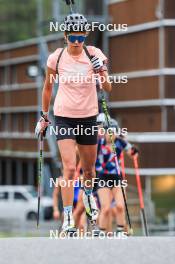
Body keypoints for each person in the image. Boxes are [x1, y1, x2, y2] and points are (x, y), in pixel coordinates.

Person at [35, 12, 112, 235]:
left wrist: (100, 70)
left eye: (81, 37)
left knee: (89, 170)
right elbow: (48, 88)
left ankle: (90, 211)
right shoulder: (56, 58)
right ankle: (68, 217)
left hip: (88, 116)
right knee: (69, 168)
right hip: (64, 117)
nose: (77, 43)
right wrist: (44, 115)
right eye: (73, 38)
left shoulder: (94, 53)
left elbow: (107, 88)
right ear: (65, 36)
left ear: (86, 34)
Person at [96, 115, 139, 236]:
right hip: (102, 177)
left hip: (117, 178)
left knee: (120, 206)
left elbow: (133, 152)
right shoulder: (99, 142)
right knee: (105, 209)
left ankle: (121, 231)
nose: (111, 135)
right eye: (108, 132)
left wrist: (134, 152)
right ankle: (101, 233)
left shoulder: (120, 142)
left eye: (113, 132)